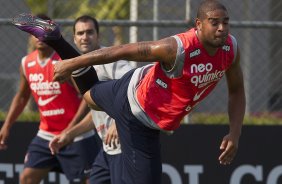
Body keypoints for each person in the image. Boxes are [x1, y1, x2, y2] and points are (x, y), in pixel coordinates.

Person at [12, 1, 246, 184]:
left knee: (89, 97)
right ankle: (61, 44)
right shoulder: (177, 48)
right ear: (198, 24)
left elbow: (236, 91)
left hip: (132, 88)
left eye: (226, 22)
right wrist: (72, 64)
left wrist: (234, 134)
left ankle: (56, 39)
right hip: (136, 114)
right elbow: (123, 50)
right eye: (214, 22)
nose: (222, 28)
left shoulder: (230, 48)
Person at [1, 14, 100, 184]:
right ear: (31, 36)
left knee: (89, 181)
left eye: (43, 32)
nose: (39, 37)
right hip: (46, 135)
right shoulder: (26, 63)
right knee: (27, 178)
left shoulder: (63, 61)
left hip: (75, 135)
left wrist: (69, 131)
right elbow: (23, 96)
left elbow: (86, 96)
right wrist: (7, 125)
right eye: (35, 33)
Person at [48, 15, 133, 184]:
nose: (84, 37)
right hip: (107, 149)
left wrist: (118, 122)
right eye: (80, 33)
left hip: (125, 147)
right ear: (74, 38)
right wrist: (69, 134)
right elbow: (97, 112)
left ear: (98, 36)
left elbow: (135, 88)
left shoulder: (111, 60)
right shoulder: (81, 68)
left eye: (89, 32)